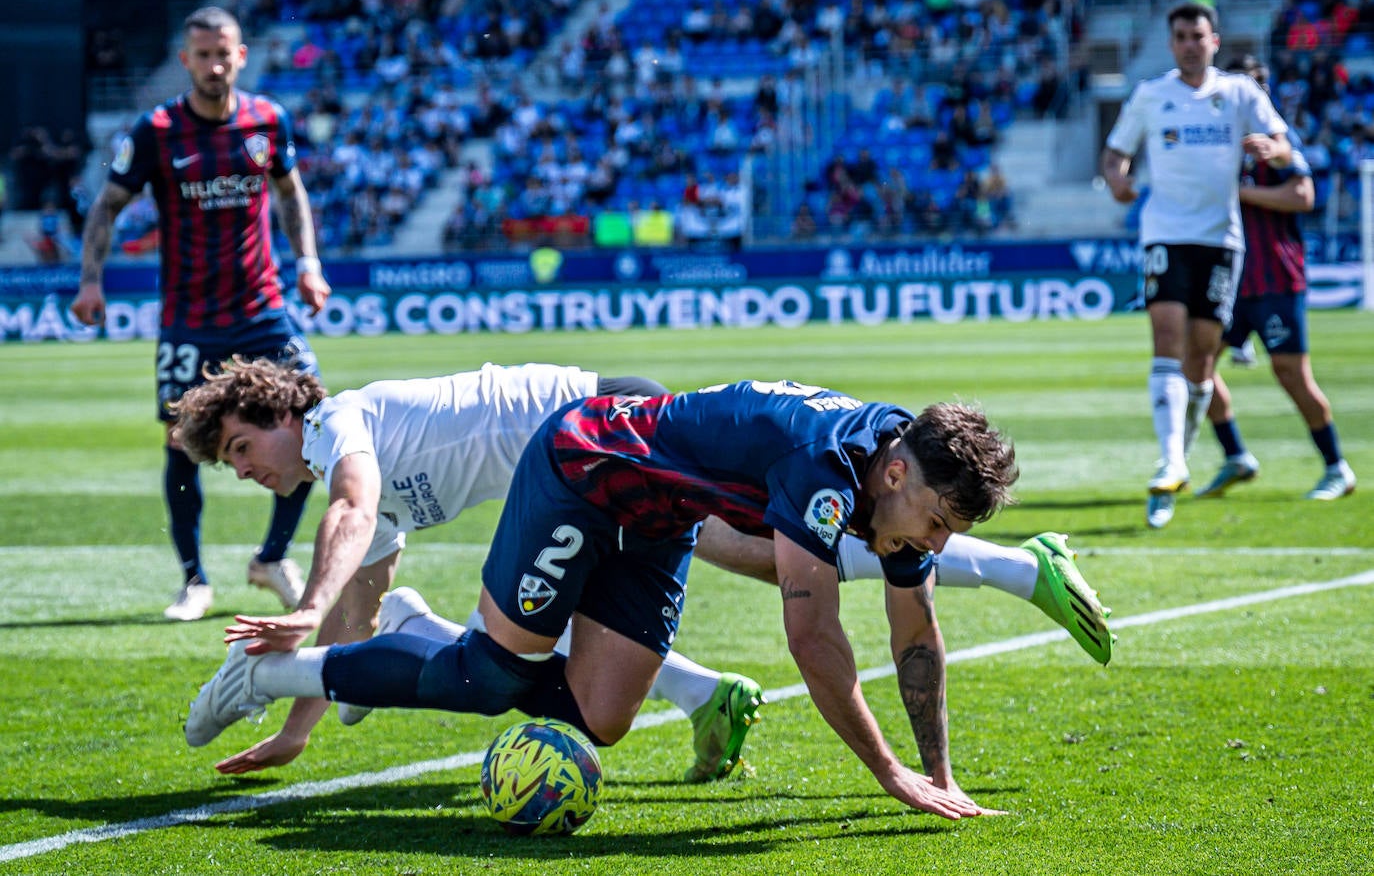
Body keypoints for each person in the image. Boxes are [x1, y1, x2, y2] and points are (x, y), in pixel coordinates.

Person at [186, 377, 1111, 817]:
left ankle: (401, 638)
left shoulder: (894, 481)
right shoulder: (825, 470)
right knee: (497, 675)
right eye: (940, 521)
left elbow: (915, 634)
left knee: (601, 715)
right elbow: (816, 640)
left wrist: (940, 771)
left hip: (662, 512)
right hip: (582, 468)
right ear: (900, 470)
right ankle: (269, 676)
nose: (937, 543)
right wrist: (889, 777)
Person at [172, 359, 765, 782]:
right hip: (596, 459)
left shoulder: (334, 422)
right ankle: (705, 692)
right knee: (600, 712)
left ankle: (413, 634)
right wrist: (298, 731)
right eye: (231, 464)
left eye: (241, 448)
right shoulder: (360, 466)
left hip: (601, 431)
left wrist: (304, 612)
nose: (244, 472)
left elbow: (350, 509)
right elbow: (358, 616)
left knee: (494, 669)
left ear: (280, 413)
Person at [70, 7, 332, 621]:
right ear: (185, 61)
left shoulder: (268, 120)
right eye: (203, 55)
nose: (215, 66)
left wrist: (309, 262)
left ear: (242, 55)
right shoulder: (157, 130)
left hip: (263, 310)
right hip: (189, 321)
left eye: (225, 53)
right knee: (181, 446)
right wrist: (90, 282)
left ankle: (271, 557)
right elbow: (106, 207)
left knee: (317, 421)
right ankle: (194, 581)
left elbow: (290, 192)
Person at [1100, 1, 1292, 529]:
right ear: (1172, 43)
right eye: (1180, 35)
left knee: (1203, 361)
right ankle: (1170, 461)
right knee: (1168, 339)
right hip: (1165, 234)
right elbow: (1116, 152)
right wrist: (1118, 179)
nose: (1189, 43)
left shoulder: (1238, 93)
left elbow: (1281, 144)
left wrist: (1270, 149)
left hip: (1222, 241)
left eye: (1197, 35)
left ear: (1214, 40)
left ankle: (1176, 458)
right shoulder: (1151, 95)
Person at [1196, 57, 1356, 501]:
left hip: (1274, 278)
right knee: (1196, 371)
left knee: (1291, 374)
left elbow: (1304, 196)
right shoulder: (1216, 143)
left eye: (1260, 85)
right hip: (1226, 280)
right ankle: (1236, 456)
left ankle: (1336, 467)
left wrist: (1241, 192)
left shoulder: (1280, 142)